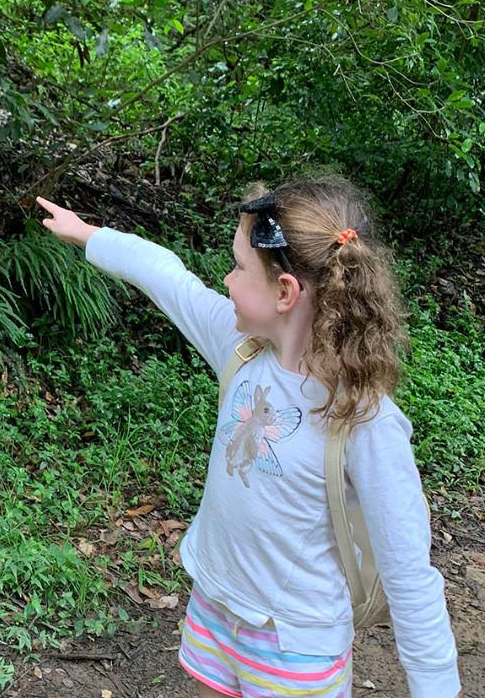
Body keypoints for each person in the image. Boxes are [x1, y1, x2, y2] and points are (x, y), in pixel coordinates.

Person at [35, 176, 460, 698]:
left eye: (238, 267)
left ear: (285, 292)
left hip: (296, 649)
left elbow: (410, 574)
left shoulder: (364, 419)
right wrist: (88, 236)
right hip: (215, 612)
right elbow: (168, 278)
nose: (227, 280)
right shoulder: (240, 348)